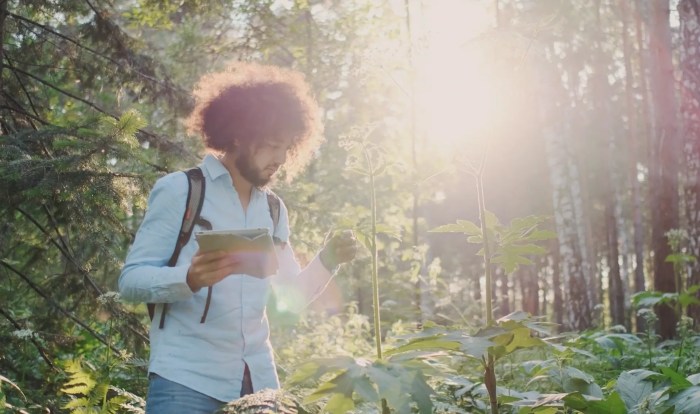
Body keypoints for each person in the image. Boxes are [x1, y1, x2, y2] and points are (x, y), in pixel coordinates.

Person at [118, 62, 357, 414]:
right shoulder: (181, 190)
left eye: (286, 148)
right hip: (185, 382)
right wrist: (188, 278)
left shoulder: (274, 210)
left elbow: (291, 299)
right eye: (272, 145)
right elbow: (130, 281)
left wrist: (328, 260)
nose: (279, 159)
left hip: (259, 384)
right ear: (237, 135)